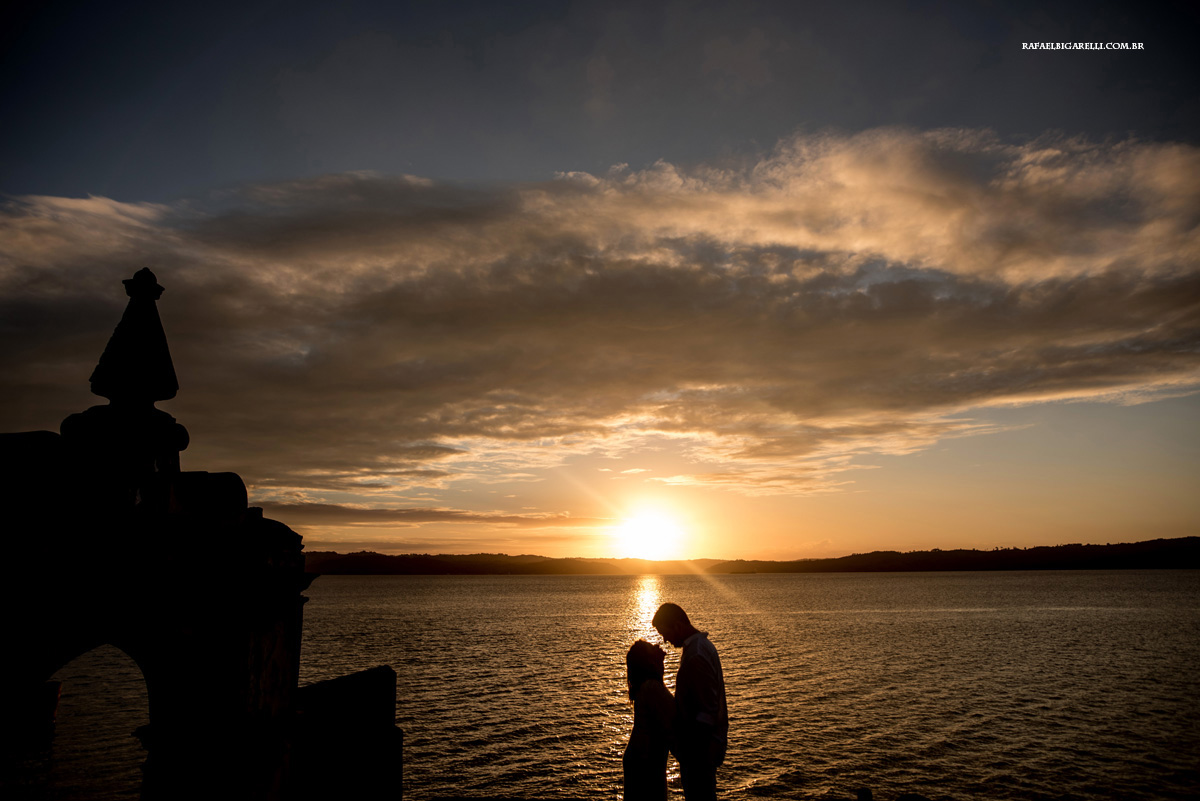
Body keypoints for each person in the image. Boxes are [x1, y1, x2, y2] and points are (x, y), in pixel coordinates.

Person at [653, 602, 727, 801]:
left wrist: (691, 753)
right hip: (702, 751)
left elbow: (707, 712)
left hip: (699, 753)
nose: (665, 640)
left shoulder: (696, 655)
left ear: (677, 625)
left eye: (665, 633)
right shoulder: (702, 648)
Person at [623, 639, 676, 801]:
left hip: (641, 761)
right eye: (652, 651)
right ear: (648, 662)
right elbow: (677, 718)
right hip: (645, 764)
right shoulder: (651, 688)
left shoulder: (645, 687)